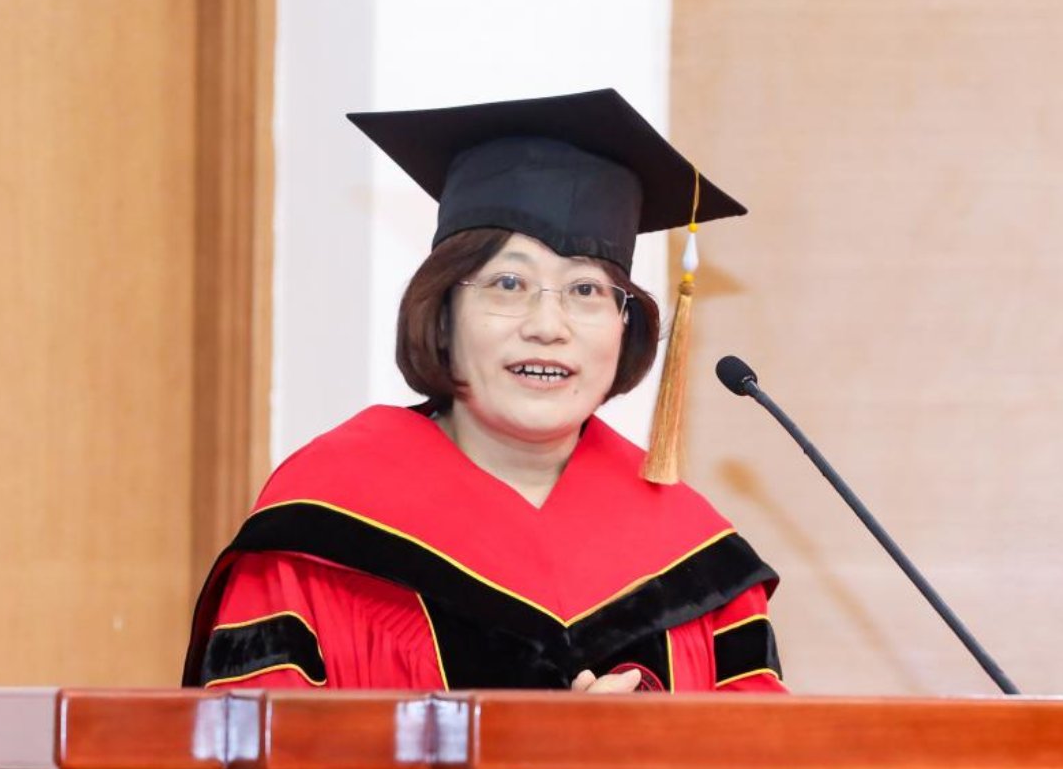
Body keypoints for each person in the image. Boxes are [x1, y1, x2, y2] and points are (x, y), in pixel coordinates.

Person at [182, 89, 785, 695]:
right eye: (508, 283)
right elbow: (256, 742)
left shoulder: (695, 557)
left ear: (626, 327)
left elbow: (761, 750)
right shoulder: (322, 526)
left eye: (586, 290)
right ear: (442, 315)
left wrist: (649, 742)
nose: (547, 326)